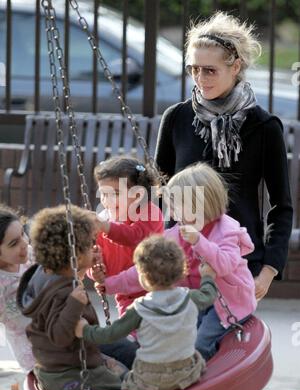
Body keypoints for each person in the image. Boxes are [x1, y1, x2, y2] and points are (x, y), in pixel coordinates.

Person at [155, 11, 293, 300]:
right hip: (181, 260)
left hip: (239, 260)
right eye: (194, 69)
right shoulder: (176, 118)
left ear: (235, 67)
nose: (200, 78)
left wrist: (268, 271)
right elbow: (157, 194)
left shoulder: (264, 127)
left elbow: (281, 205)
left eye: (210, 70)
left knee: (230, 345)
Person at [99, 163, 257, 361]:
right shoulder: (177, 234)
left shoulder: (226, 231)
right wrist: (111, 284)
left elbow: (224, 265)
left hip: (226, 303)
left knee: (200, 344)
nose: (171, 213)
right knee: (173, 339)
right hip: (194, 301)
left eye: (175, 206)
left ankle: (197, 379)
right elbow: (149, 267)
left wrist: (199, 242)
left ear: (198, 205)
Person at [75, 235, 217, 390]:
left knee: (122, 375)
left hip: (149, 382)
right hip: (187, 375)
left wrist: (85, 330)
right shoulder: (190, 298)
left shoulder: (140, 309)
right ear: (181, 271)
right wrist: (207, 276)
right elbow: (209, 295)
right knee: (196, 357)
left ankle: (119, 375)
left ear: (142, 277)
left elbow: (110, 334)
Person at [16, 205, 136, 390]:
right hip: (72, 374)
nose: (94, 248)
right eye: (90, 245)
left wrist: (84, 266)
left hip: (55, 365)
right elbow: (59, 336)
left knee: (122, 354)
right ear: (77, 256)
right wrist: (73, 306)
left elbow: (58, 297)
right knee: (130, 383)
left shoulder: (43, 274)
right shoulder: (66, 295)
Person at [89, 156, 164, 319]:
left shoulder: (149, 213)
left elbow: (134, 237)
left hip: (155, 288)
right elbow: (92, 254)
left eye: (115, 194)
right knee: (130, 333)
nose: (107, 200)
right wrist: (95, 270)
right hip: (125, 296)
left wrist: (106, 227)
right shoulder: (105, 219)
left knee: (154, 331)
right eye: (103, 194)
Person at [0, 204, 34, 372]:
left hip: (54, 327)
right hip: (29, 345)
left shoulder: (31, 254)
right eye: (14, 243)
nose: (25, 243)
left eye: (23, 234)